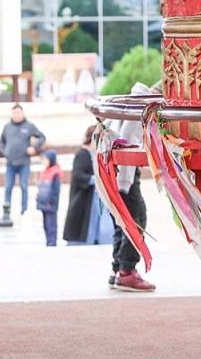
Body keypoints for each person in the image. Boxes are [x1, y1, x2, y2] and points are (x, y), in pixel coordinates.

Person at [108, 164, 155, 292]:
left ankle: (118, 269)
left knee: (122, 223)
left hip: (116, 172)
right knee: (134, 222)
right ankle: (126, 272)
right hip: (123, 171)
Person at [0, 104, 46, 217]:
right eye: (14, 113)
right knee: (8, 187)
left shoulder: (29, 126)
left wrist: (34, 148)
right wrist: (5, 152)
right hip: (10, 163)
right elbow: (1, 142)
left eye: (18, 112)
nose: (16, 115)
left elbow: (41, 137)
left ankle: (24, 211)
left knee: (24, 186)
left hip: (24, 163)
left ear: (22, 113)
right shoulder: (7, 127)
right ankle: (7, 210)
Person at [62, 125, 98, 245]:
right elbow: (77, 176)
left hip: (93, 198)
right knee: (82, 225)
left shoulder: (95, 155)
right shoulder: (83, 154)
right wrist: (96, 180)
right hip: (82, 198)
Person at [35, 149, 62, 247]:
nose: (44, 162)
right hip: (43, 203)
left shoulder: (55, 173)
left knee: (51, 226)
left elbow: (55, 190)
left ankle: (52, 244)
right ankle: (48, 243)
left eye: (45, 159)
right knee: (46, 226)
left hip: (50, 204)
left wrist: (51, 202)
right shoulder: (44, 172)